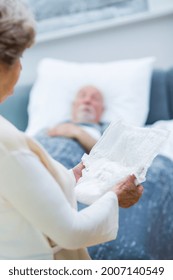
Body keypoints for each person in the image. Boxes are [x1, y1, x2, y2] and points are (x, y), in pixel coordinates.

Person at [0, 0, 143, 260]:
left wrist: (68, 177)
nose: (21, 67)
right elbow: (71, 233)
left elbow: (16, 188)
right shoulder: (8, 142)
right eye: (19, 57)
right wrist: (113, 196)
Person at [35, 85, 108, 168]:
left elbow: (110, 156)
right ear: (73, 105)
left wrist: (77, 132)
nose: (87, 100)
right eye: (82, 96)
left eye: (95, 98)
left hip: (63, 174)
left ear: (102, 110)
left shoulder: (107, 130)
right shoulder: (51, 128)